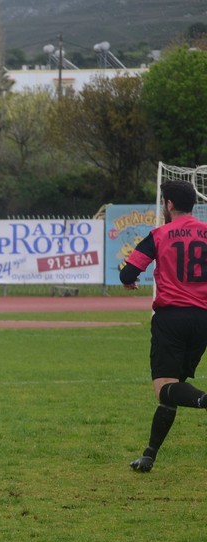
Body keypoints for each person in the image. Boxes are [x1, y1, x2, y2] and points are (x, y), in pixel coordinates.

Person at [121, 180, 207, 473]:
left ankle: (204, 400)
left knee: (164, 388)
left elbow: (128, 273)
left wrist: (130, 279)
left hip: (171, 319)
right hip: (202, 320)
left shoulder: (159, 234)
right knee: (174, 389)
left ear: (168, 204)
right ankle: (149, 455)